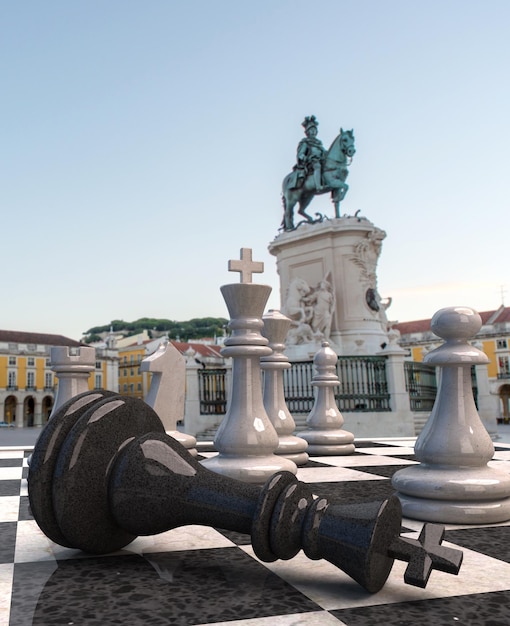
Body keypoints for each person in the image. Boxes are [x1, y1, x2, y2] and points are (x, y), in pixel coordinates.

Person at [295, 115, 326, 191]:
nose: (313, 132)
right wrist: (304, 157)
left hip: (321, 160)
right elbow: (301, 153)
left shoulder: (319, 143)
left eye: (314, 130)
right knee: (317, 166)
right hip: (310, 161)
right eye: (311, 130)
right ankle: (318, 186)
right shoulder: (305, 142)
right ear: (307, 132)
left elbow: (324, 152)